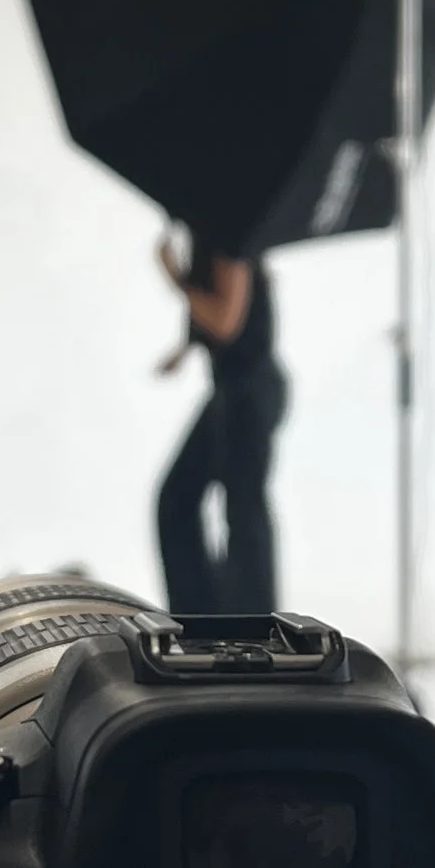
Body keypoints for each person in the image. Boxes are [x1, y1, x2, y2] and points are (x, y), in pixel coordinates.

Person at [155, 230, 287, 616]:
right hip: (234, 392)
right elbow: (219, 320)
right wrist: (184, 349)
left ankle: (250, 623)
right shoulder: (213, 244)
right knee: (180, 499)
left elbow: (226, 322)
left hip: (251, 391)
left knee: (241, 509)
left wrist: (174, 277)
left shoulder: (230, 244)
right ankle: (205, 618)